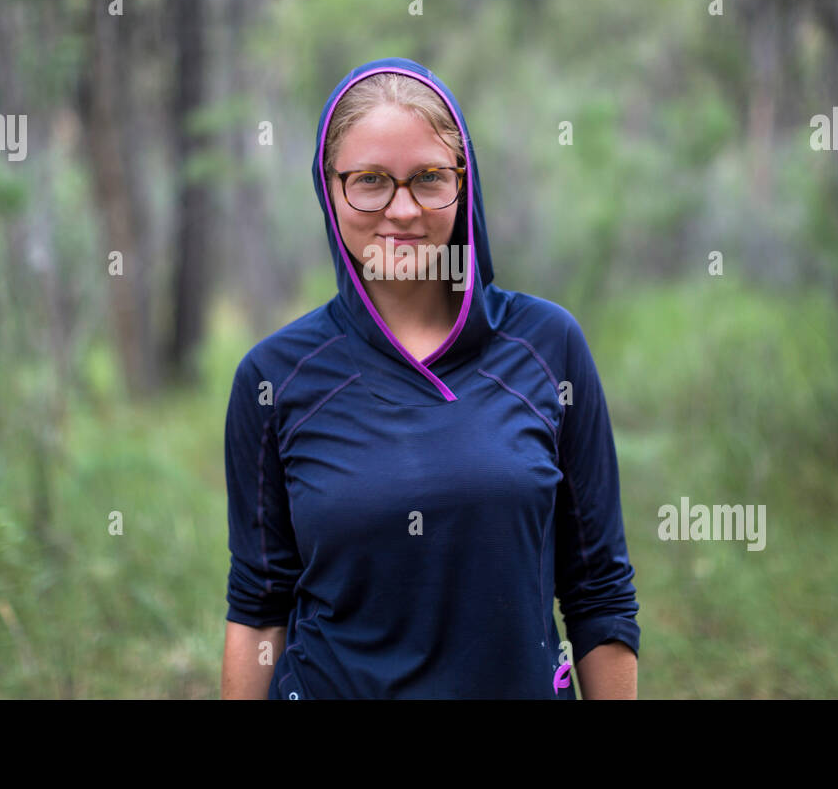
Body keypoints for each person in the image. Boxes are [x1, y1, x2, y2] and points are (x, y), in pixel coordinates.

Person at [220, 56, 640, 699]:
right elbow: (259, 607)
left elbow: (597, 590)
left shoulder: (547, 347)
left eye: (427, 178)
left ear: (463, 183)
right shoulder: (275, 378)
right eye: (369, 181)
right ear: (328, 190)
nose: (403, 209)